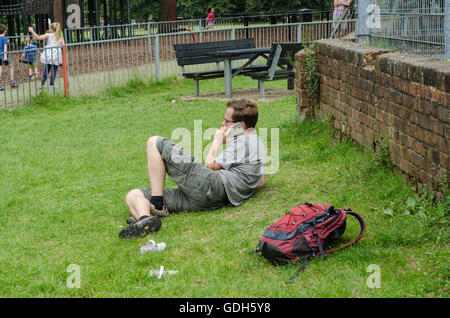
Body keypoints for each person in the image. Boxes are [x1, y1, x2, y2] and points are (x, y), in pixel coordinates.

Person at [119, 98, 266, 239]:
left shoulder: (245, 141)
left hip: (211, 186)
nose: (222, 123)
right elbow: (261, 182)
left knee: (155, 142)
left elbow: (209, 166)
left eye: (227, 121)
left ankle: (157, 205)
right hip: (210, 199)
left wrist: (217, 141)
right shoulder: (256, 142)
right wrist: (241, 186)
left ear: (240, 126)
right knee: (134, 195)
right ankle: (145, 220)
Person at [28, 22, 65, 89]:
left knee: (47, 69)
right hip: (56, 54)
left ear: (52, 29)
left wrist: (32, 31)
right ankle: (51, 85)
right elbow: (63, 46)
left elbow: (38, 38)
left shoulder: (49, 35)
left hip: (49, 54)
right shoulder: (60, 36)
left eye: (50, 28)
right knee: (54, 69)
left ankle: (42, 84)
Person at [0, 24, 18, 91]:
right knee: (11, 66)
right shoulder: (4, 38)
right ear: (5, 31)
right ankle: (12, 82)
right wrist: (5, 56)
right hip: (3, 56)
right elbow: (5, 48)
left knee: (0, 69)